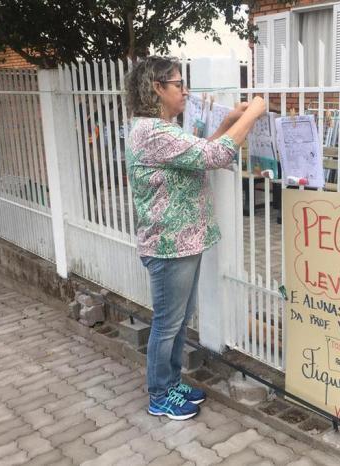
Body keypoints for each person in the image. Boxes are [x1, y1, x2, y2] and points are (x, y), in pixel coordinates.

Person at [125, 56, 267, 420]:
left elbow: (199, 156)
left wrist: (228, 121)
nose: (184, 90)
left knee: (179, 317)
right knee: (168, 322)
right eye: (177, 84)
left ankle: (171, 383)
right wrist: (254, 112)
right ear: (157, 88)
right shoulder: (154, 132)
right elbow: (217, 155)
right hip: (169, 246)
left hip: (183, 241)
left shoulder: (160, 131)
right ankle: (160, 394)